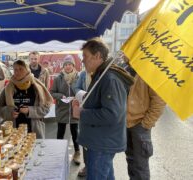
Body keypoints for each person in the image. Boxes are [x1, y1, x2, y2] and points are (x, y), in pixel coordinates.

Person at [73, 38, 134, 180]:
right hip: (99, 141)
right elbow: (99, 99)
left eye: (85, 56)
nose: (83, 61)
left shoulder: (110, 78)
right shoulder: (102, 75)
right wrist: (84, 100)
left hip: (101, 143)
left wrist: (82, 113)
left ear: (98, 56)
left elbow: (112, 114)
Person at [124, 62, 166, 180]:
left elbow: (159, 101)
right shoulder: (126, 69)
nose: (124, 53)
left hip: (140, 125)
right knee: (131, 160)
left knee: (140, 166)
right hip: (126, 124)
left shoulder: (150, 71)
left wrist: (145, 124)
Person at [0, 60, 53, 139]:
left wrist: (30, 111)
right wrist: (9, 112)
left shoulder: (37, 87)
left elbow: (46, 108)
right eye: (15, 69)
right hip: (12, 133)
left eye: (21, 69)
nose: (17, 72)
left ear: (27, 70)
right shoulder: (8, 88)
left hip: (34, 132)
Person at [50, 55, 80, 165]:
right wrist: (61, 96)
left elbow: (81, 90)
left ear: (73, 65)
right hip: (62, 109)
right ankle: (59, 152)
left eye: (70, 64)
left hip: (74, 109)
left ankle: (77, 153)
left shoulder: (78, 77)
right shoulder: (59, 78)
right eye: (66, 64)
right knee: (60, 131)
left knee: (75, 132)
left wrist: (77, 96)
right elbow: (52, 92)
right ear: (63, 66)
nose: (68, 67)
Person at [74, 69, 91, 177]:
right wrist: (84, 94)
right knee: (85, 140)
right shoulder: (84, 74)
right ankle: (87, 166)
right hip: (85, 112)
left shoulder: (106, 74)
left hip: (99, 115)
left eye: (86, 56)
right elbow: (76, 88)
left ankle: (96, 167)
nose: (84, 60)